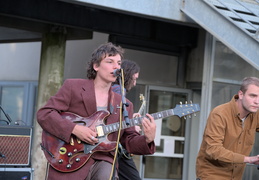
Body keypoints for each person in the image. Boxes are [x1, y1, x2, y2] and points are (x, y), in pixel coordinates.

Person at [37, 42, 156, 180]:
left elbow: (128, 140)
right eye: (110, 61)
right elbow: (45, 114)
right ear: (96, 66)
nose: (116, 66)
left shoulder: (124, 104)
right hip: (69, 157)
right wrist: (74, 129)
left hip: (102, 160)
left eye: (118, 63)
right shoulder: (73, 87)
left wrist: (148, 139)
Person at [196, 77, 259, 180]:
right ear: (241, 94)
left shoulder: (255, 114)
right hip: (212, 176)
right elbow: (213, 150)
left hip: (236, 177)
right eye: (253, 96)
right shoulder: (220, 113)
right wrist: (249, 159)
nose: (257, 101)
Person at [112, 59, 142, 180]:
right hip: (116, 147)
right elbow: (114, 122)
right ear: (127, 76)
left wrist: (129, 119)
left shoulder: (113, 89)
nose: (134, 84)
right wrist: (133, 127)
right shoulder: (119, 90)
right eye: (134, 79)